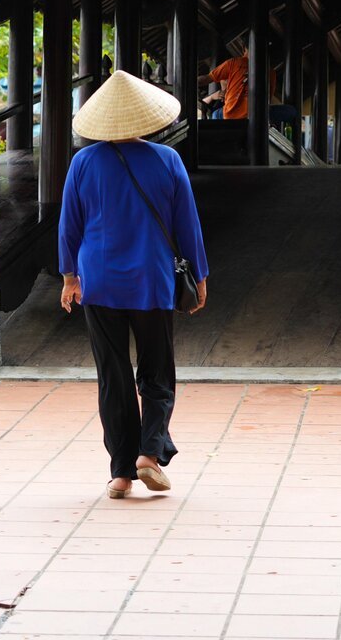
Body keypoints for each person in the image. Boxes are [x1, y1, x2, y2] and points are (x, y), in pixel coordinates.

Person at [60, 70, 210, 499]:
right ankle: (148, 454)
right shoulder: (167, 160)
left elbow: (69, 226)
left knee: (113, 377)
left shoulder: (83, 163)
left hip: (99, 282)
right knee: (157, 370)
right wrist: (199, 275)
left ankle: (121, 474)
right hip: (152, 280)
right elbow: (187, 226)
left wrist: (70, 276)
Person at [201, 46, 249, 120]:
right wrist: (211, 97)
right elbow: (202, 105)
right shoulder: (218, 95)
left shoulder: (236, 94)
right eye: (224, 78)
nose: (226, 80)